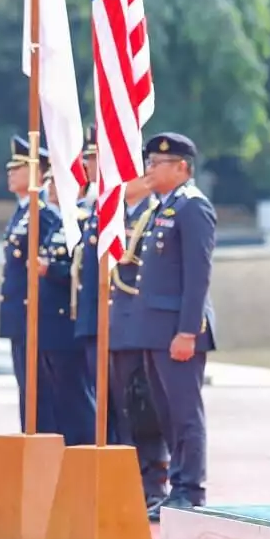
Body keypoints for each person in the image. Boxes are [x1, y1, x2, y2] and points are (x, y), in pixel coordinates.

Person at [133, 133, 216, 522]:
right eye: (148, 162)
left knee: (184, 413)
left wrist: (188, 331)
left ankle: (190, 489)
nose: (150, 169)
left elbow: (198, 276)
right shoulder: (161, 208)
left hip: (179, 330)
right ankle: (176, 487)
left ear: (181, 167)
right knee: (165, 412)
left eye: (157, 163)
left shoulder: (192, 207)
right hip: (155, 328)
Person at [108, 175, 170, 508]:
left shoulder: (154, 213)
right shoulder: (121, 214)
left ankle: (155, 485)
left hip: (141, 323)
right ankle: (136, 485)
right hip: (119, 324)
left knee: (146, 409)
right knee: (125, 411)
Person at [0, 135, 59, 434]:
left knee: (39, 393)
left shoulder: (42, 213)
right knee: (27, 389)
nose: (10, 172)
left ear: (38, 172)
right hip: (20, 316)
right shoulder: (23, 213)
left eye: (18, 167)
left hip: (35, 315)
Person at [37, 176, 97, 446]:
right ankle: (68, 451)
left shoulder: (82, 221)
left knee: (78, 398)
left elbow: (81, 271)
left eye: (56, 181)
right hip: (50, 322)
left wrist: (51, 270)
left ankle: (82, 451)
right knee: (59, 398)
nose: (50, 186)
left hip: (68, 321)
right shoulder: (59, 221)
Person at [71, 125, 120, 443]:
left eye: (94, 158)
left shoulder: (116, 209)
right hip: (91, 318)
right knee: (102, 401)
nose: (87, 165)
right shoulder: (92, 210)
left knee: (119, 404)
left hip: (113, 321)